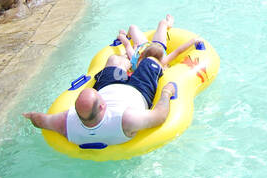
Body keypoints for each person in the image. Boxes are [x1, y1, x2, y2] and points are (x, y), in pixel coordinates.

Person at [23, 18, 179, 146]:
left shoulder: (66, 122)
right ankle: (138, 62)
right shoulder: (126, 119)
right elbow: (159, 117)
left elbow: (41, 121)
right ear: (103, 104)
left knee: (113, 60)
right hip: (138, 89)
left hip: (110, 85)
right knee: (149, 62)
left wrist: (30, 115)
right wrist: (166, 92)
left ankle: (127, 62)